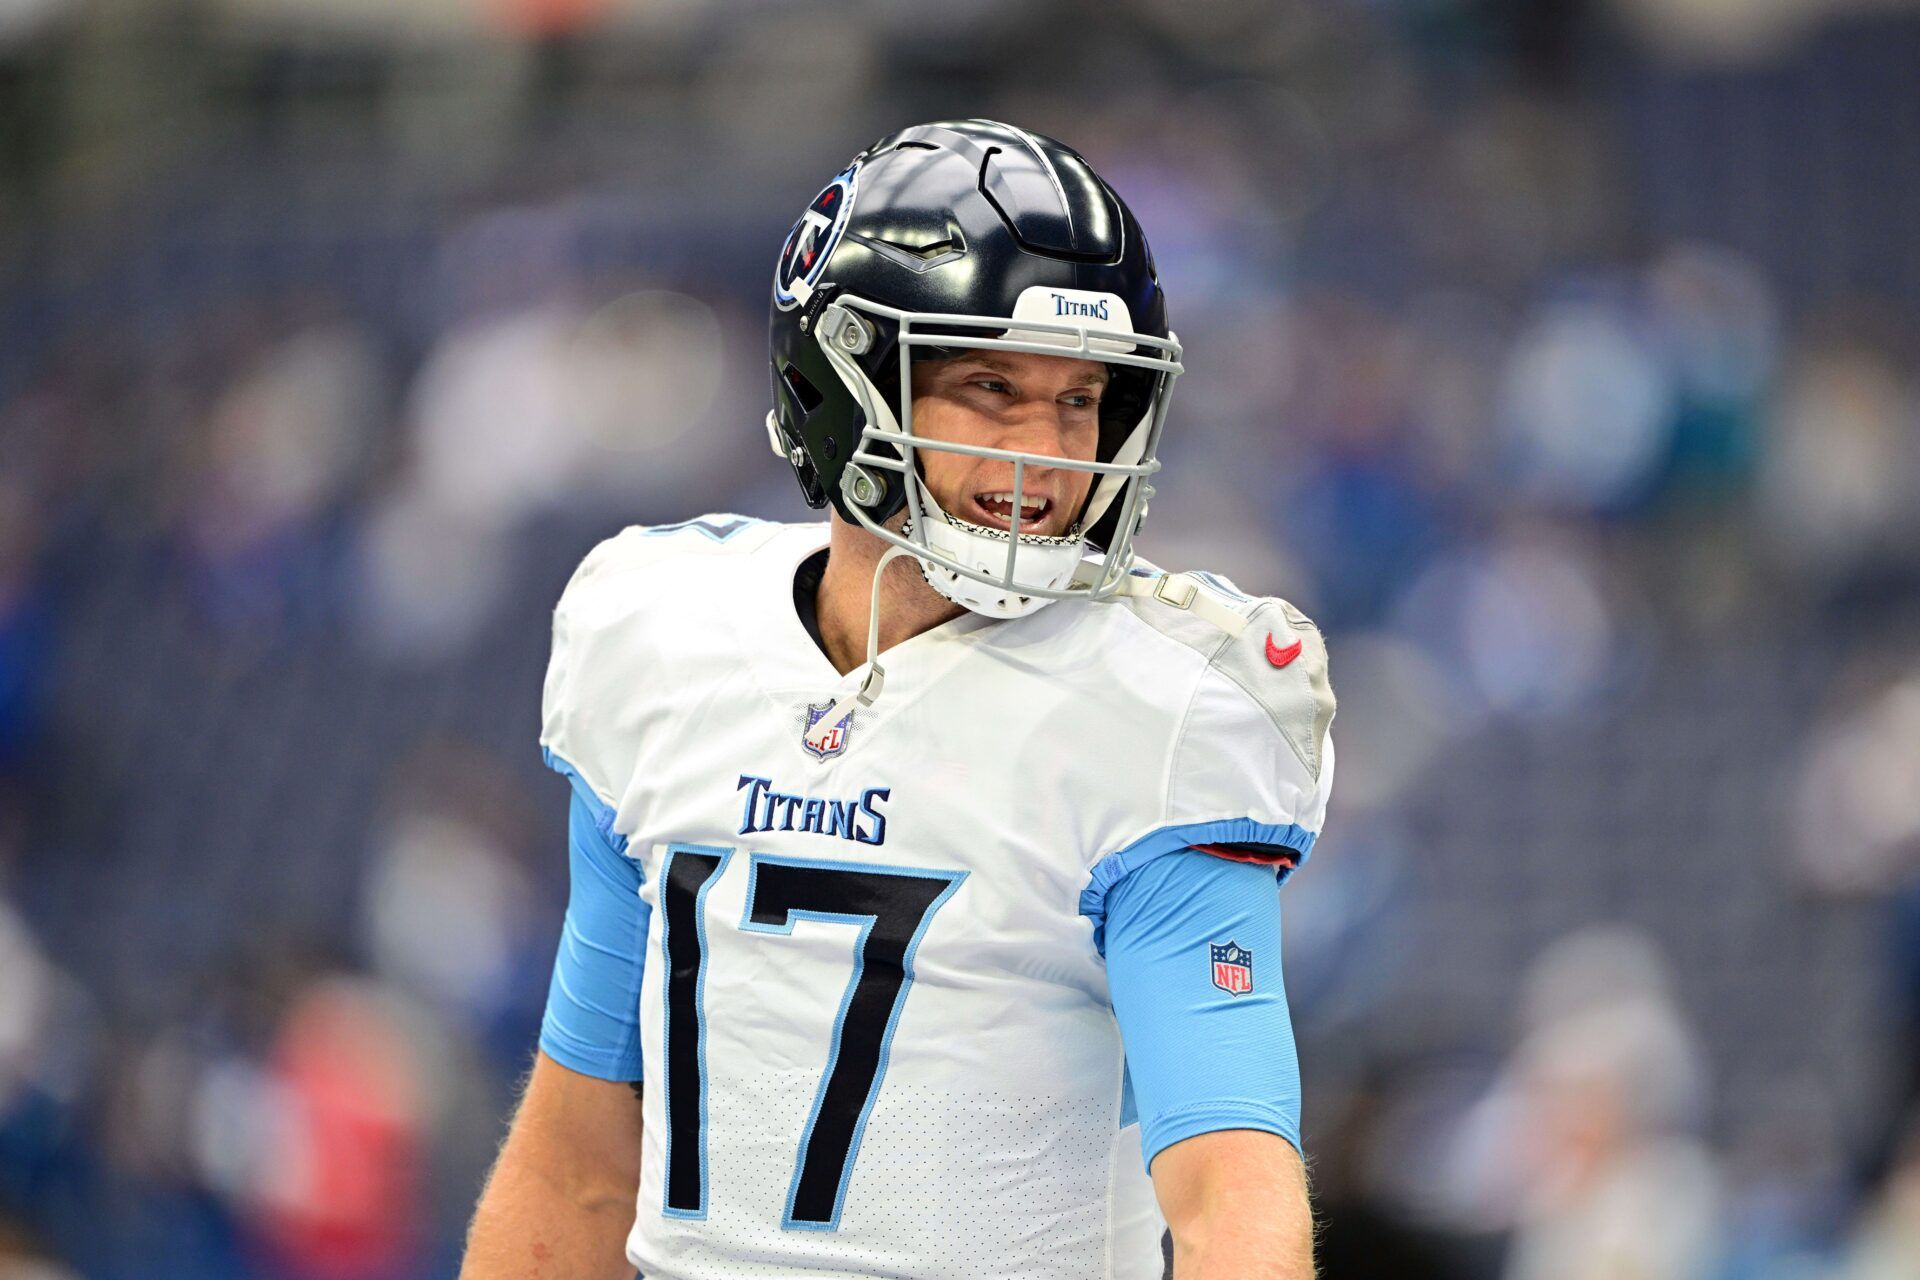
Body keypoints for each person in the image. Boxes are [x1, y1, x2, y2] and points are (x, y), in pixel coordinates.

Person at [458, 119, 1335, 1280]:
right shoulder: (663, 638)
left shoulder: (1160, 709)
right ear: (841, 372)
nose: (1050, 454)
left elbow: (1232, 1200)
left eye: (1081, 402)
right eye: (991, 387)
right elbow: (577, 1160)